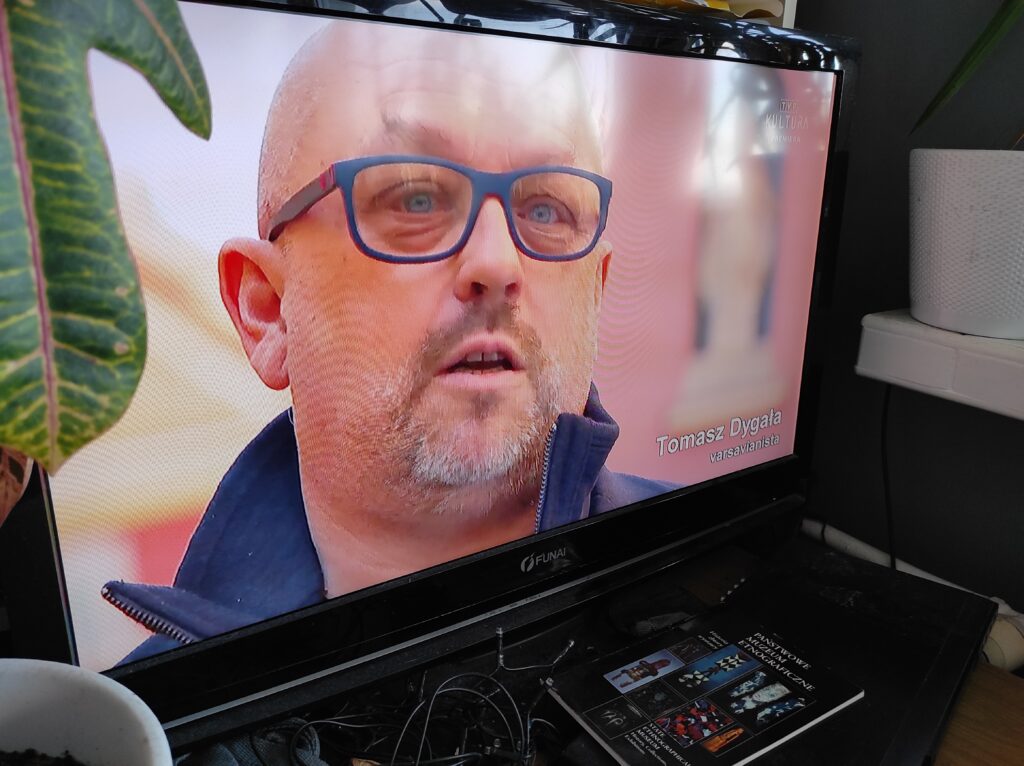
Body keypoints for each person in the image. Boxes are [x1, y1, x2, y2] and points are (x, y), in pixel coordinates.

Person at [102, 20, 677, 662]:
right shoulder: (144, 713)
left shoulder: (716, 562)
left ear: (596, 292)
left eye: (546, 210)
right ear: (268, 311)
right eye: (416, 198)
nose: (496, 262)